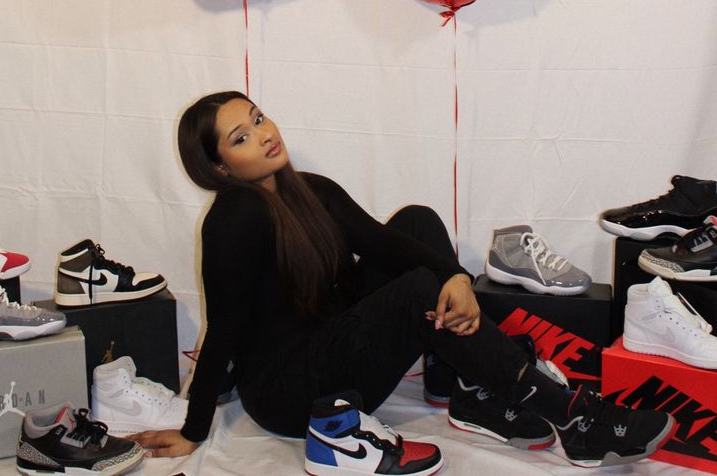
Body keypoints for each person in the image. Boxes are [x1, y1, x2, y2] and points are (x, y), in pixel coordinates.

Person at [132, 91, 674, 469]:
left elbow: (387, 244)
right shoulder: (234, 217)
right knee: (418, 288)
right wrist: (194, 428)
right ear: (220, 167)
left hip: (329, 346)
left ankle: (461, 387)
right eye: (241, 136)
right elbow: (223, 328)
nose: (264, 134)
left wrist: (458, 278)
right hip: (289, 394)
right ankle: (573, 419)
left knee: (417, 221)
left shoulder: (308, 190)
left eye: (259, 118)